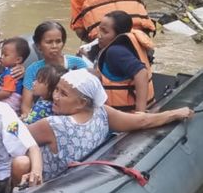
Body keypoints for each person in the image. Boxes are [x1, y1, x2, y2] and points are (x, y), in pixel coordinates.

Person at [27, 69, 193, 180]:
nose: (55, 96)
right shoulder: (102, 112)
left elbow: (16, 137)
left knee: (21, 161)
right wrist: (174, 113)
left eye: (63, 94)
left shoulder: (53, 125)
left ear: (82, 102)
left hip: (48, 184)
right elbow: (141, 121)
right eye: (56, 90)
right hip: (77, 179)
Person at [21, 21, 87, 116]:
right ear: (38, 46)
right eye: (49, 42)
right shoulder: (33, 69)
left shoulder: (77, 64)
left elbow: (86, 98)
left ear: (63, 43)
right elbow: (26, 106)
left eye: (58, 41)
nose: (54, 46)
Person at [95, 10, 154, 112]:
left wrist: (140, 114)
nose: (99, 35)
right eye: (99, 29)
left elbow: (141, 73)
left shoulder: (115, 52)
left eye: (105, 32)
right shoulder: (131, 41)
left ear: (118, 34)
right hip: (150, 105)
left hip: (123, 115)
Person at [0, 37, 30, 112]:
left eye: (5, 55)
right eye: (2, 54)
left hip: (10, 103)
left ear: (18, 60)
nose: (1, 57)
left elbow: (6, 93)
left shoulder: (12, 73)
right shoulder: (9, 68)